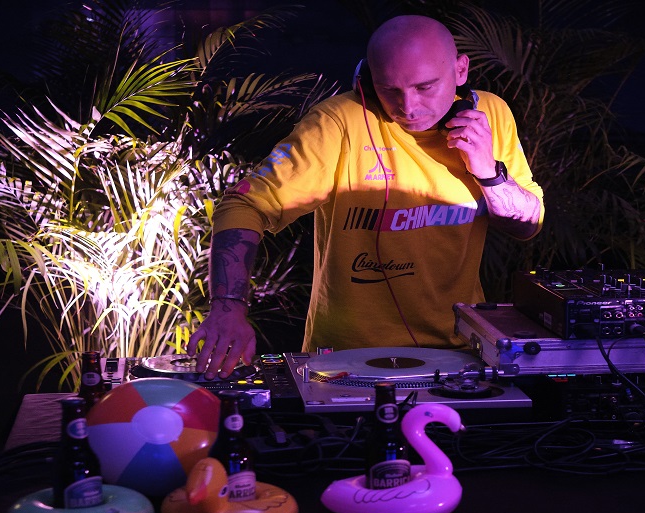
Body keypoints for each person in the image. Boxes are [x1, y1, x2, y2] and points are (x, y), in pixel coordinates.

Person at [187, 14, 544, 379]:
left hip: (461, 354)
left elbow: (527, 225)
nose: (408, 106)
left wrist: (488, 171)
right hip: (348, 360)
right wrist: (227, 309)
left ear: (461, 70)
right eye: (390, 90)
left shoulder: (490, 116)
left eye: (425, 87)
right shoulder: (336, 123)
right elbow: (244, 205)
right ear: (368, 81)